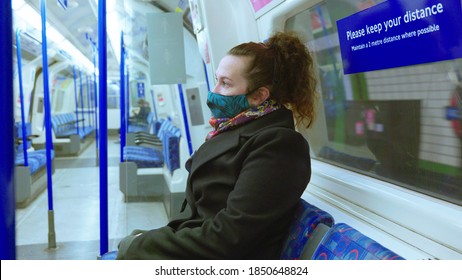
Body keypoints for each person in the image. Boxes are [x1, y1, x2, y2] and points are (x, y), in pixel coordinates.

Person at [116, 31, 318, 259]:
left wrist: (141, 246)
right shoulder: (233, 128)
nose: (214, 92)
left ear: (259, 96)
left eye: (225, 84)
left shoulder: (279, 146)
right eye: (216, 80)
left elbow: (230, 237)